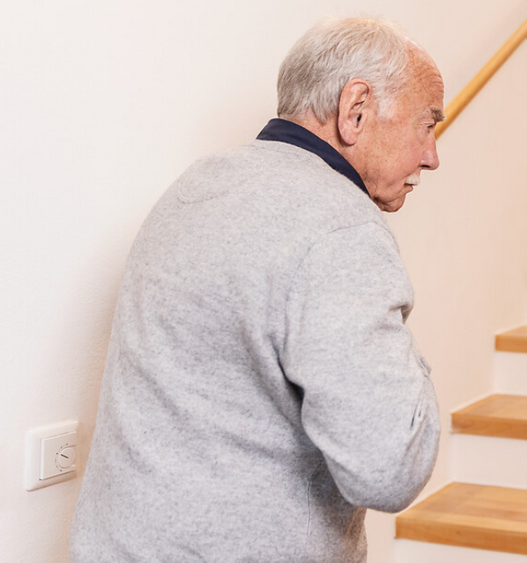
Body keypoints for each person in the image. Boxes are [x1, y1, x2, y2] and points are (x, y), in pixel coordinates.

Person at [70, 17, 443, 563]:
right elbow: (391, 469)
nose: (431, 156)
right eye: (427, 125)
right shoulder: (341, 228)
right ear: (355, 108)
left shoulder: (197, 184)